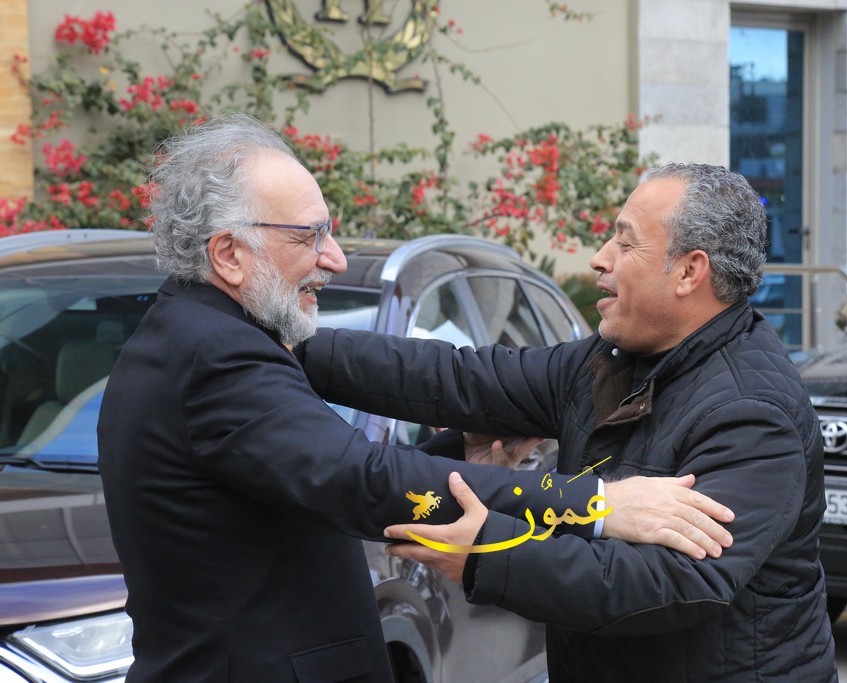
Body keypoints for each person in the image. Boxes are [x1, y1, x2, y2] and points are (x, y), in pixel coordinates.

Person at [97, 116, 735, 683]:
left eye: (328, 233)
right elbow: (359, 477)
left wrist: (458, 458)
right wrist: (594, 503)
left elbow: (303, 480)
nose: (333, 259)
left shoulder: (203, 337)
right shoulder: (216, 354)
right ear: (229, 254)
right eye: (308, 237)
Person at [298, 163, 838, 681]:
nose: (600, 259)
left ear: (689, 271)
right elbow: (458, 378)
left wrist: (488, 552)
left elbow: (675, 582)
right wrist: (288, 346)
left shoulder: (752, 413)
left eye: (625, 243)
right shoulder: (609, 361)